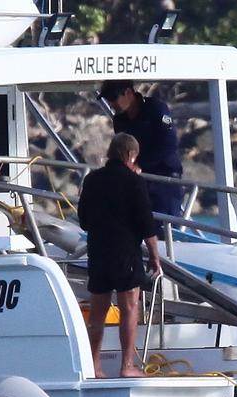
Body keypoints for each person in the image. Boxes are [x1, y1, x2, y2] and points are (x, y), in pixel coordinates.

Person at [77, 133, 161, 378]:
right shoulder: (134, 182)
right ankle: (126, 366)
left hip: (98, 251)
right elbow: (147, 224)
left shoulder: (92, 179)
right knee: (129, 307)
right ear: (131, 155)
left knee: (97, 315)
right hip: (125, 252)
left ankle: (94, 366)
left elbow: (83, 220)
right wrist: (155, 257)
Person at [97, 80, 184, 221]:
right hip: (137, 180)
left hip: (164, 178)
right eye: (108, 100)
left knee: (163, 226)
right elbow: (121, 148)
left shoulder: (155, 109)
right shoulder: (119, 120)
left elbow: (169, 144)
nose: (111, 104)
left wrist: (141, 165)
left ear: (129, 93)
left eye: (113, 98)